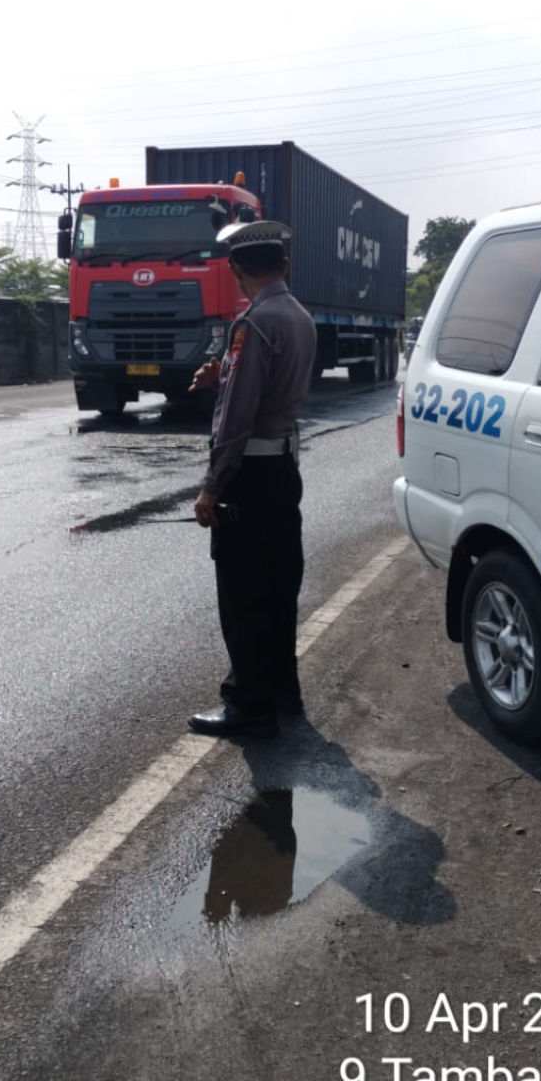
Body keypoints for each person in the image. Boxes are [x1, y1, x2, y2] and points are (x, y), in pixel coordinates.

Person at [187, 218, 317, 738]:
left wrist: (212, 486)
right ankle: (283, 692)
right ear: (284, 264)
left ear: (235, 268)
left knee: (243, 594)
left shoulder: (253, 323)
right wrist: (223, 372)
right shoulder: (298, 315)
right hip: (283, 472)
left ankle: (248, 705)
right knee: (279, 586)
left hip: (251, 477)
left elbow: (236, 417)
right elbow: (268, 383)